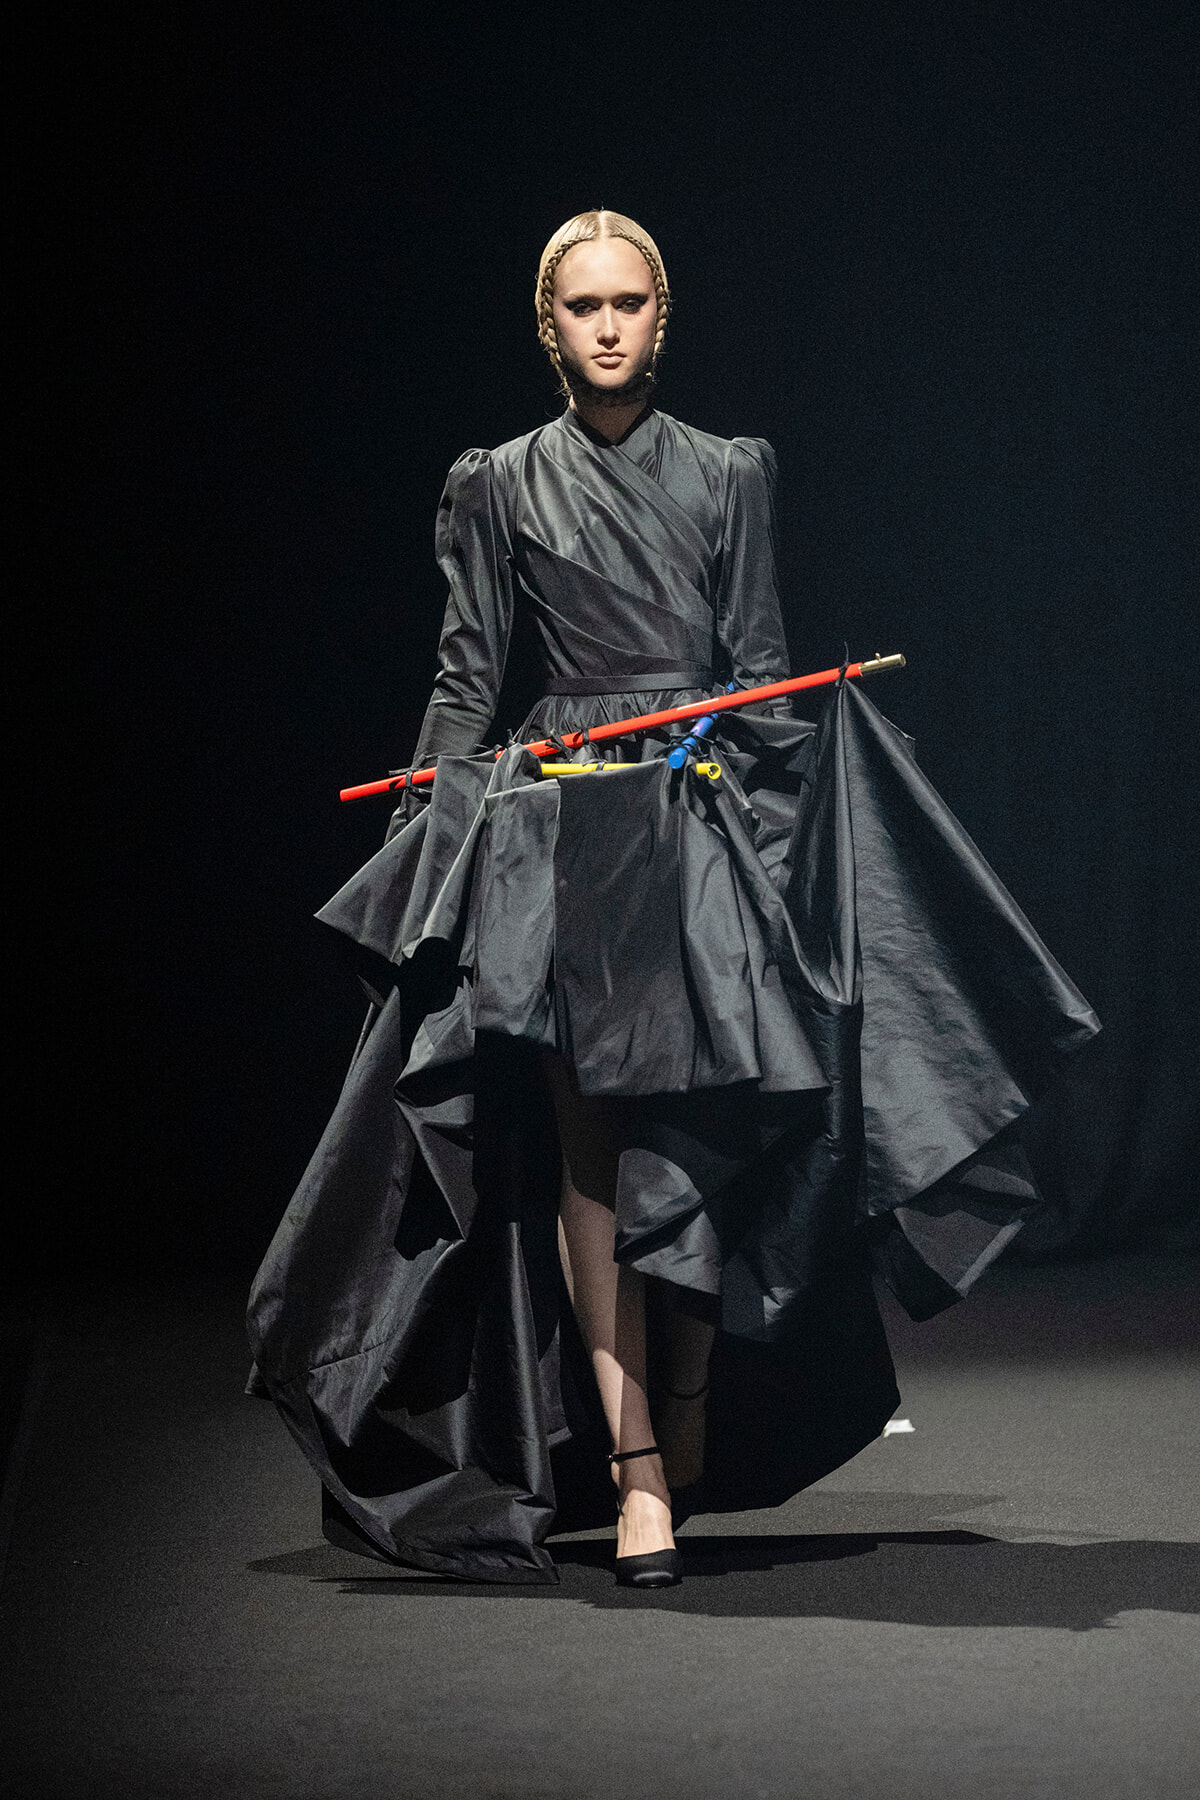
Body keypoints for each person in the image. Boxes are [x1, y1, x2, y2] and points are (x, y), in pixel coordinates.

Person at [247, 211, 1098, 1590]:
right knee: (590, 1149)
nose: (605, 325)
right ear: (547, 325)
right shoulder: (498, 485)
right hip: (566, 825)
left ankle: (687, 1412)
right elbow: (471, 680)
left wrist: (809, 806)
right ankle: (638, 1469)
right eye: (580, 304)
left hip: (696, 817)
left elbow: (751, 657)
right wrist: (428, 826)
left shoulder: (729, 473)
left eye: (628, 301)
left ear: (662, 316)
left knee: (693, 1137)